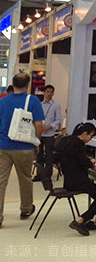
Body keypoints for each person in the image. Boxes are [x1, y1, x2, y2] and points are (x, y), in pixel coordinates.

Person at [0, 73, 44, 227]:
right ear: (27, 85)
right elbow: (38, 124)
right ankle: (26, 209)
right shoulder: (33, 100)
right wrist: (36, 142)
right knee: (25, 178)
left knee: (1, 181)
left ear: (13, 84)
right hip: (24, 146)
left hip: (3, 146)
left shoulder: (3, 101)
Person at [62, 122, 96, 235]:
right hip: (78, 181)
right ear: (84, 134)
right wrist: (91, 161)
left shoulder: (69, 141)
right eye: (91, 136)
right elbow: (84, 163)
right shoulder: (77, 145)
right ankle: (81, 220)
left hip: (71, 179)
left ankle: (86, 219)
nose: (90, 139)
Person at [33, 84, 62, 182]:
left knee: (49, 156)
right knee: (39, 155)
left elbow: (58, 120)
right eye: (47, 92)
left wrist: (49, 127)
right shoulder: (39, 105)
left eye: (51, 92)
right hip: (39, 134)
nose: (49, 94)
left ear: (53, 93)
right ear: (44, 93)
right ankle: (39, 175)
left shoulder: (56, 106)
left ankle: (47, 176)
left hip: (49, 134)